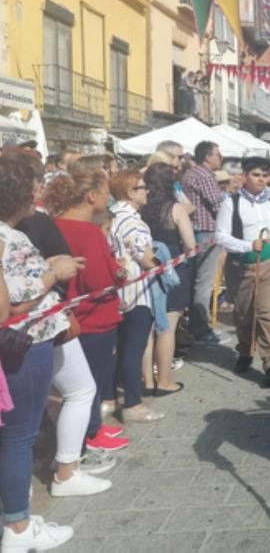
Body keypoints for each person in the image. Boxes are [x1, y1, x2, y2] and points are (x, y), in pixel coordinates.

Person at [0, 158, 85, 549]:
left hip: (21, 344)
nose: (38, 193)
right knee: (19, 438)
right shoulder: (9, 238)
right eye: (34, 187)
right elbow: (14, 305)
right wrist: (55, 273)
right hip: (24, 344)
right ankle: (18, 527)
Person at [45, 171, 130, 451]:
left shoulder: (54, 225)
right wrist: (119, 271)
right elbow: (99, 280)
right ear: (92, 196)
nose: (109, 198)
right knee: (90, 383)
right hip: (94, 317)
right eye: (106, 191)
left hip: (69, 315)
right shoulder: (89, 231)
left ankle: (92, 429)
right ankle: (89, 435)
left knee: (80, 384)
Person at [215, 157, 270, 388]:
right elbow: (220, 236)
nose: (261, 179)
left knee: (268, 313)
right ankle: (245, 350)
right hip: (242, 266)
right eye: (256, 174)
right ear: (244, 176)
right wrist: (247, 246)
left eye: (264, 175)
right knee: (244, 314)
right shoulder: (231, 203)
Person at [109, 170, 164, 423]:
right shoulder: (132, 221)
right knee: (133, 349)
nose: (148, 191)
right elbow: (145, 258)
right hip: (135, 291)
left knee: (119, 349)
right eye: (143, 187)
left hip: (116, 290)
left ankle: (109, 398)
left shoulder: (111, 217)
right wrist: (163, 263)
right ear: (131, 192)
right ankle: (133, 404)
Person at [140, 164, 194, 395]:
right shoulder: (176, 209)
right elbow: (191, 245)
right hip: (173, 267)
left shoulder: (139, 209)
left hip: (145, 268)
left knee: (147, 328)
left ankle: (147, 381)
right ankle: (164, 380)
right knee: (167, 328)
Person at [182, 141, 229, 345]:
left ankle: (197, 324)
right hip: (207, 231)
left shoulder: (194, 174)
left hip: (198, 230)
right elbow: (218, 203)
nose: (220, 158)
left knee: (198, 280)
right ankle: (200, 328)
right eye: (217, 154)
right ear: (208, 157)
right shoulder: (203, 175)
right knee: (204, 282)